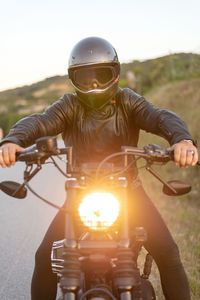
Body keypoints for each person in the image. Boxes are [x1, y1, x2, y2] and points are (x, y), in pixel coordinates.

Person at [0, 37, 198, 300]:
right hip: (80, 193)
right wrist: (13, 140)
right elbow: (40, 122)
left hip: (129, 192)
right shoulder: (69, 105)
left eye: (100, 75)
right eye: (85, 78)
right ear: (74, 79)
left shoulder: (129, 101)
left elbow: (159, 116)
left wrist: (182, 140)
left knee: (169, 253)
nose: (93, 84)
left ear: (114, 74)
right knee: (44, 257)